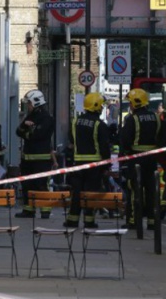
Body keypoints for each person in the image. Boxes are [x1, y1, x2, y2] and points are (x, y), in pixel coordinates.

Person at [119, 88, 166, 231]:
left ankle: (134, 220)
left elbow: (125, 139)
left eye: (130, 103)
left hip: (135, 161)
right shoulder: (156, 118)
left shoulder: (132, 119)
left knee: (135, 190)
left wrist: (126, 155)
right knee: (152, 190)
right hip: (152, 160)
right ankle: (152, 221)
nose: (130, 106)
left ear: (136, 103)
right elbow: (163, 139)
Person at [64, 92, 111, 229]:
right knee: (90, 194)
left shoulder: (75, 122)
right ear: (96, 106)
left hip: (77, 163)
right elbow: (104, 148)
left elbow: (72, 140)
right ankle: (89, 221)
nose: (102, 108)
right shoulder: (99, 125)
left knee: (77, 192)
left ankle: (72, 220)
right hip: (94, 165)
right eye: (101, 105)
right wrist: (106, 165)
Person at [15, 89, 58, 218]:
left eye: (29, 104)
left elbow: (37, 135)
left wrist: (26, 132)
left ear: (36, 103)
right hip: (27, 158)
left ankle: (45, 211)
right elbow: (18, 132)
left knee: (41, 185)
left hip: (42, 159)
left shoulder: (47, 119)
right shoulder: (30, 117)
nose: (28, 106)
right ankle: (29, 210)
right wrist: (24, 127)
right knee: (27, 185)